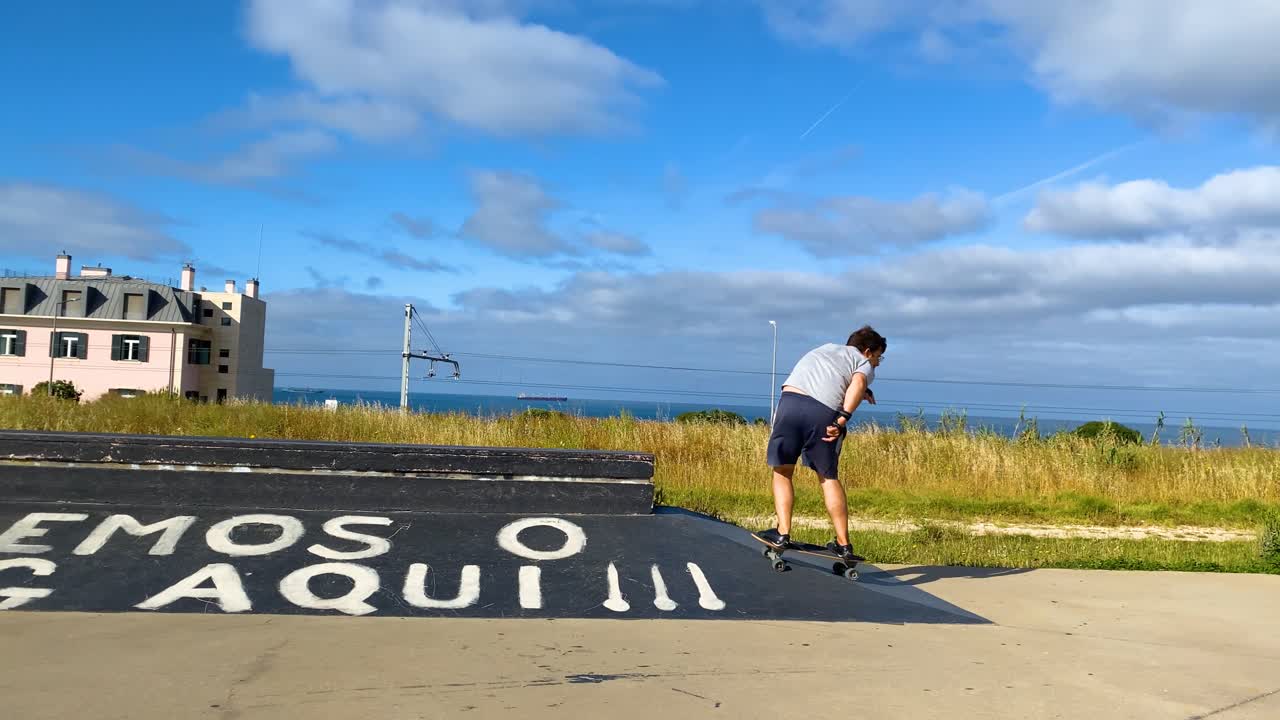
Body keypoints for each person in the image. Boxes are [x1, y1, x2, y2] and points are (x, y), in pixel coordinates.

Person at [760, 325, 886, 563]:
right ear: (867, 351)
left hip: (790, 403)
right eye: (879, 357)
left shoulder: (825, 348)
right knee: (828, 478)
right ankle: (843, 545)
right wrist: (842, 419)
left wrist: (859, 389)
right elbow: (857, 384)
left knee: (783, 471)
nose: (878, 362)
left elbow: (829, 376)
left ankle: (782, 534)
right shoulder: (863, 362)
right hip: (822, 413)